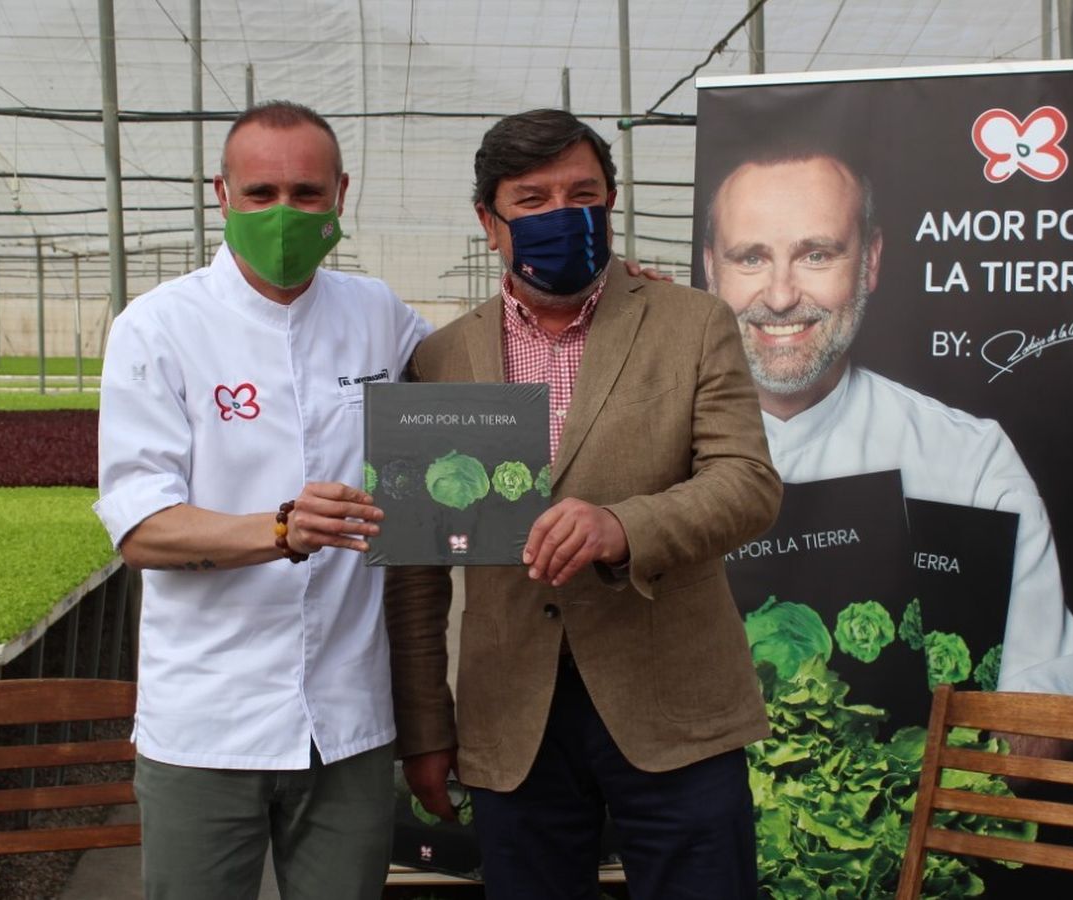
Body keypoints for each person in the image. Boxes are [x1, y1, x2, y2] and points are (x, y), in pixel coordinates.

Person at [385, 108, 782, 899]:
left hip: (675, 704)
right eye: (531, 201)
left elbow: (747, 483)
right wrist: (427, 728)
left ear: (610, 202)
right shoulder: (439, 358)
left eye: (583, 193)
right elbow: (418, 568)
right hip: (512, 714)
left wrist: (625, 525)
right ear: (488, 222)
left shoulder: (691, 322)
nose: (562, 216)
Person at [93, 100, 431, 900]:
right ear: (222, 194)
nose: (285, 213)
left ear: (340, 194)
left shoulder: (376, 313)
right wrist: (280, 528)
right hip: (208, 725)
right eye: (261, 194)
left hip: (346, 723)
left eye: (306, 194)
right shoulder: (159, 329)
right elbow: (141, 526)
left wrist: (600, 302)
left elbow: (480, 367)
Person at [701, 143, 1073, 702]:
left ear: (871, 261)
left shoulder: (970, 461)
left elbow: (1045, 692)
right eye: (751, 259)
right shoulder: (640, 453)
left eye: (816, 255)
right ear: (712, 269)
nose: (782, 295)